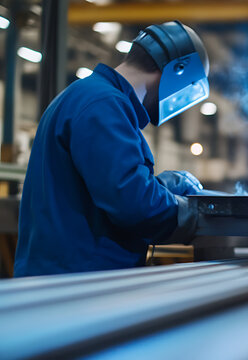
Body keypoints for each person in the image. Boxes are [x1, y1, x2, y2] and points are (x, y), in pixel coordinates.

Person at [14, 21, 210, 276]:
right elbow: (134, 205)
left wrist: (164, 187)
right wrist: (196, 214)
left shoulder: (90, 96)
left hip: (67, 275)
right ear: (179, 70)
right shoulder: (104, 105)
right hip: (75, 283)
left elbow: (103, 188)